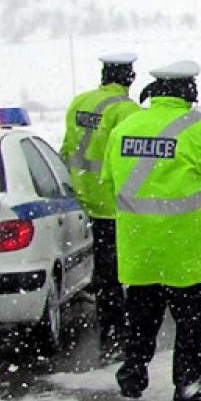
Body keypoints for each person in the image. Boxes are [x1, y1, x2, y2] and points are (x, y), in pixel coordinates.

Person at [101, 60, 201, 401]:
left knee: (141, 319)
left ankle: (133, 373)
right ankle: (188, 386)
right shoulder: (195, 128)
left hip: (140, 246)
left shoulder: (126, 126)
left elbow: (109, 181)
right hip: (185, 248)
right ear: (188, 91)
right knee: (193, 324)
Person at [60, 53, 141, 361]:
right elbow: (130, 157)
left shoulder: (79, 102)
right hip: (113, 202)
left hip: (83, 197)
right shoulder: (126, 109)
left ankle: (111, 331)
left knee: (103, 267)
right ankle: (117, 332)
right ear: (129, 79)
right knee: (119, 271)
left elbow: (68, 146)